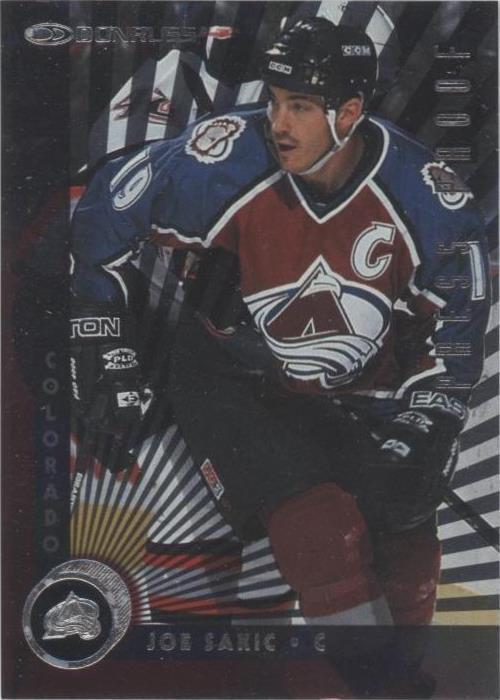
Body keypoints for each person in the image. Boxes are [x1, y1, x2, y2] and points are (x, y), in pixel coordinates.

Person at [70, 17, 490, 696]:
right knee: (320, 528)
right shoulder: (224, 158)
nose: (278, 122)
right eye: (273, 100)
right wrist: (103, 345)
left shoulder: (428, 199)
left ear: (349, 113)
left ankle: (399, 676)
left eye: (300, 106)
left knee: (406, 518)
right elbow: (101, 216)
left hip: (350, 386)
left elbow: (461, 323)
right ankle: (384, 689)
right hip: (225, 369)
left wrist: (434, 418)